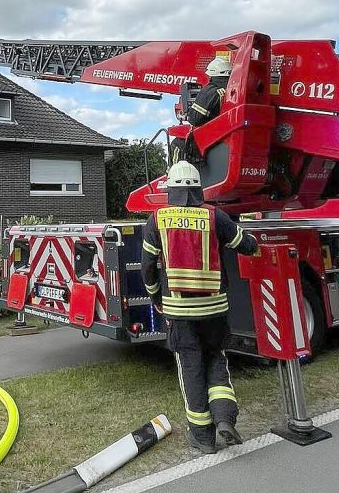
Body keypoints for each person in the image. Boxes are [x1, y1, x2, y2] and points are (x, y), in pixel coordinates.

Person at [140, 161, 257, 455]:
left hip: (180, 314)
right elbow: (244, 244)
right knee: (217, 360)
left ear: (171, 189)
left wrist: (155, 297)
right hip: (215, 311)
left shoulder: (157, 220)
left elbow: (147, 268)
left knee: (191, 369)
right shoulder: (215, 216)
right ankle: (225, 420)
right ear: (197, 188)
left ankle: (203, 438)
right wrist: (255, 241)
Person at [169, 56, 233, 165]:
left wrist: (189, 114)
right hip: (224, 135)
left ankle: (173, 176)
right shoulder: (231, 89)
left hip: (210, 138)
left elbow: (195, 119)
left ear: (212, 74)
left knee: (178, 142)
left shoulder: (211, 90)